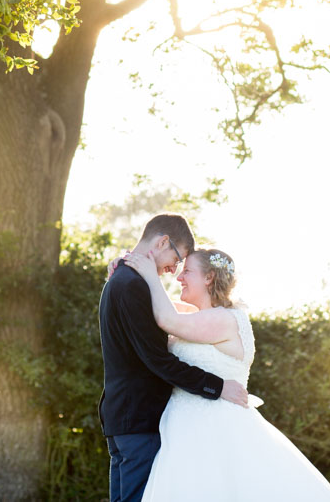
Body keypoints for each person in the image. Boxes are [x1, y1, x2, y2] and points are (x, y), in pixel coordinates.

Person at [121, 247, 330, 501]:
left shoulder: (225, 319)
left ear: (209, 278)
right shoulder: (202, 316)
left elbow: (166, 318)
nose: (179, 277)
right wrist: (127, 274)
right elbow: (155, 304)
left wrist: (150, 273)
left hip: (216, 433)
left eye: (187, 272)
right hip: (185, 431)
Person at [98, 213, 250, 502]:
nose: (174, 271)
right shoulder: (132, 285)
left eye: (183, 268)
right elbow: (157, 359)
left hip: (129, 417)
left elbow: (167, 322)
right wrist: (218, 387)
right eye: (177, 258)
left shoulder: (125, 279)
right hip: (138, 418)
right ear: (163, 241)